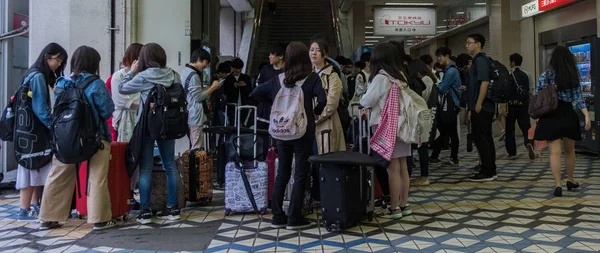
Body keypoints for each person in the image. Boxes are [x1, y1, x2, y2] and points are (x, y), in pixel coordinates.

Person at [251, 42, 327, 229]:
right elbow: (323, 99)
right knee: (300, 174)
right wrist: (315, 111)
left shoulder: (278, 80)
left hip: (281, 131)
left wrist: (275, 106)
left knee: (282, 173)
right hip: (303, 131)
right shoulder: (311, 78)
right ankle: (294, 217)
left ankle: (277, 216)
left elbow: (255, 93)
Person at [39, 46, 116, 230]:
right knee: (97, 177)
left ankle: (48, 217)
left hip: (66, 137)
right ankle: (99, 220)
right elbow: (107, 111)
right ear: (94, 64)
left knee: (59, 174)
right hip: (96, 137)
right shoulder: (96, 84)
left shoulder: (62, 84)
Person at [119, 43, 182, 224]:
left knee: (145, 168)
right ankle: (173, 208)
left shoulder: (144, 77)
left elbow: (122, 88)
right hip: (168, 125)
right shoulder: (173, 74)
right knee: (170, 165)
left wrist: (132, 71)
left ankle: (145, 212)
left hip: (147, 125)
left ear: (144, 59)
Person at [13, 43, 67, 221]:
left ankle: (33, 205)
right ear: (47, 56)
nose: (59, 64)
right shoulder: (38, 77)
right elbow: (40, 108)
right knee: (32, 166)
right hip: (35, 131)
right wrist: (53, 126)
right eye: (57, 59)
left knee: (35, 166)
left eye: (61, 61)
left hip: (28, 131)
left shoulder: (34, 74)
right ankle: (25, 208)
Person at [361, 43, 413, 219]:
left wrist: (361, 101)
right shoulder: (401, 76)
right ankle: (404, 204)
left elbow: (367, 100)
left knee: (392, 169)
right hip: (403, 125)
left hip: (386, 126)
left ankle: (394, 207)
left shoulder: (381, 78)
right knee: (403, 167)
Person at [534, 46, 591, 197]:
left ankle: (558, 185)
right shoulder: (571, 76)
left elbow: (538, 96)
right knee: (569, 150)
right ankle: (570, 179)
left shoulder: (544, 76)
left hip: (550, 115)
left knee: (554, 152)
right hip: (567, 114)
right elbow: (578, 98)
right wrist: (586, 115)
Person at [110, 43, 143, 209]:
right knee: (126, 157)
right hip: (125, 121)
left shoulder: (142, 76)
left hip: (138, 120)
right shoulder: (119, 76)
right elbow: (121, 101)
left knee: (137, 159)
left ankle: (131, 192)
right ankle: (124, 193)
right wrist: (143, 104)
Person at [466, 34, 497, 182]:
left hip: (482, 106)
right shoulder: (479, 61)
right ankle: (490, 168)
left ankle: (487, 170)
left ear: (478, 44)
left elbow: (484, 82)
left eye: (469, 43)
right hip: (483, 106)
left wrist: (478, 104)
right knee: (486, 138)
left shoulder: (480, 61)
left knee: (482, 139)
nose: (467, 46)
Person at [181, 48, 223, 149]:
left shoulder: (186, 71)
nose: (206, 66)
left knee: (195, 144)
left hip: (189, 112)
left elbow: (196, 92)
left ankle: (194, 163)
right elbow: (199, 97)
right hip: (195, 115)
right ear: (199, 59)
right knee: (197, 147)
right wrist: (213, 88)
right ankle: (194, 164)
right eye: (206, 62)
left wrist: (210, 87)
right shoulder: (194, 75)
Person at [310, 39, 346, 154]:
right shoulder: (307, 74)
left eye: (318, 50)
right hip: (307, 124)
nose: (314, 53)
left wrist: (316, 118)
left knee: (325, 156)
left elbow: (332, 103)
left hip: (325, 122)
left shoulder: (333, 76)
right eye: (311, 50)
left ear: (325, 54)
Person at [406, 60, 436, 186]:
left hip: (415, 117)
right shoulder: (420, 82)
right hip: (423, 116)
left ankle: (412, 177)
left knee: (411, 147)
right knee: (422, 146)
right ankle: (424, 176)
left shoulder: (411, 84)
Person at [430, 47, 462, 166]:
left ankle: (452, 157)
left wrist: (435, 80)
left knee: (449, 131)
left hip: (450, 105)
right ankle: (437, 156)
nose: (438, 59)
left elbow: (442, 88)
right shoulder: (448, 69)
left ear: (447, 56)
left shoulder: (451, 71)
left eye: (440, 56)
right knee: (444, 131)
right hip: (449, 105)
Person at [506, 53, 535, 160]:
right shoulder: (527, 74)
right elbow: (531, 90)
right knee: (526, 128)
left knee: (510, 129)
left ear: (512, 62)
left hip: (511, 106)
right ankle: (529, 144)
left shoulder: (508, 74)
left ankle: (511, 151)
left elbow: (505, 91)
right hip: (524, 105)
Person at [256, 44, 286, 129]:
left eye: (272, 54)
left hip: (283, 108)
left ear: (280, 56)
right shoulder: (266, 69)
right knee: (263, 135)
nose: (269, 57)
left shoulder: (289, 70)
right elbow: (259, 85)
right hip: (266, 108)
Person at [223, 58, 252, 126]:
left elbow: (250, 90)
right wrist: (233, 86)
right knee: (232, 122)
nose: (237, 71)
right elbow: (225, 91)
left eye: (239, 69)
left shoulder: (246, 77)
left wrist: (244, 85)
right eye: (235, 69)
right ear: (232, 68)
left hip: (243, 103)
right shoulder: (229, 78)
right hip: (232, 104)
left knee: (243, 121)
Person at [349, 52, 371, 117]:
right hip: (361, 106)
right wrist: (362, 84)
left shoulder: (372, 74)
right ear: (367, 63)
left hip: (368, 105)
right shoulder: (361, 75)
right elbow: (358, 92)